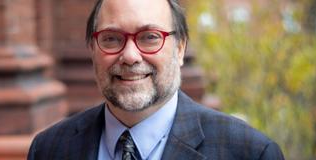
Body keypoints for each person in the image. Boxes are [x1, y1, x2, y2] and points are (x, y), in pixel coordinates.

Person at [27, 0, 285, 159]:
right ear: (92, 51)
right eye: (111, 38)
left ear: (180, 48)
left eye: (149, 37)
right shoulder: (49, 149)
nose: (129, 56)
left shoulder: (249, 153)